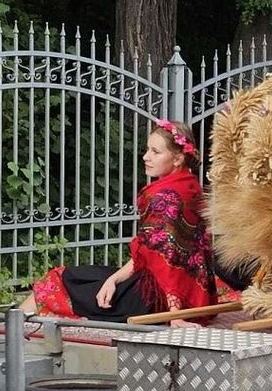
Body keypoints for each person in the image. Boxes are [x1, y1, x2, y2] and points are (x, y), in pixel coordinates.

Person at [23, 120, 218, 328]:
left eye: (155, 152)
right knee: (90, 277)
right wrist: (114, 279)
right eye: (147, 149)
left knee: (64, 279)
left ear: (178, 158)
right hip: (193, 297)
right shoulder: (190, 186)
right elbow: (159, 253)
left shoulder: (164, 197)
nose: (146, 157)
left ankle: (12, 326)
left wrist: (175, 314)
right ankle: (16, 321)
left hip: (152, 301)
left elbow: (166, 259)